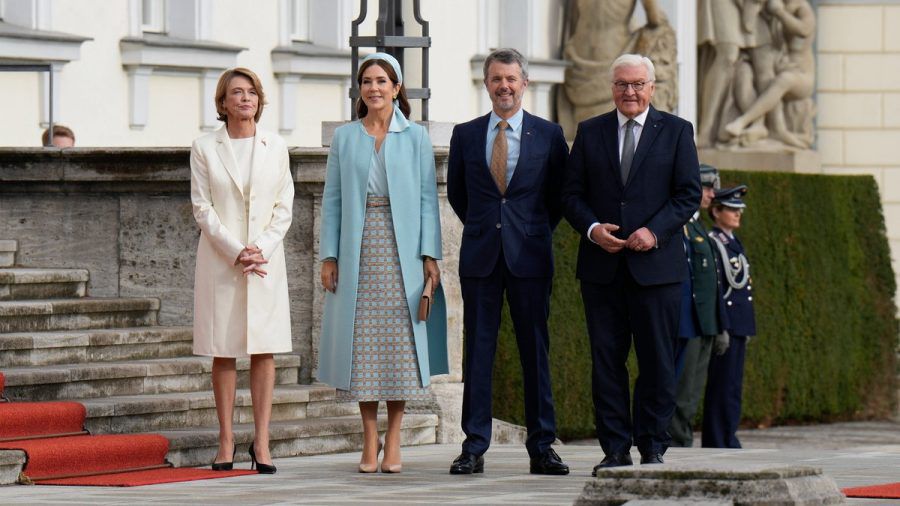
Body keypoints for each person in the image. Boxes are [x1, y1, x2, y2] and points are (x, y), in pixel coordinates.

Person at [562, 54, 700, 471]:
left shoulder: (676, 132)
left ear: (652, 87)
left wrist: (654, 231)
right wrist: (591, 229)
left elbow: (688, 195)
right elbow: (570, 195)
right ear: (612, 88)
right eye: (622, 84)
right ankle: (615, 449)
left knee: (657, 361)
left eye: (638, 84)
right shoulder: (590, 132)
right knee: (607, 363)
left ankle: (653, 444)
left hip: (657, 270)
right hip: (603, 271)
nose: (630, 92)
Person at [317, 52, 448, 474]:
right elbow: (332, 198)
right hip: (357, 249)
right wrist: (329, 254)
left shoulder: (416, 137)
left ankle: (394, 436)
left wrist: (430, 255)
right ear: (360, 90)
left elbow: (429, 199)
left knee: (399, 347)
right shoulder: (345, 137)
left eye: (382, 80)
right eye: (367, 81)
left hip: (403, 251)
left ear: (396, 88)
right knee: (361, 344)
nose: (374, 88)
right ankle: (368, 436)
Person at [447, 48, 569, 476]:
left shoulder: (549, 135)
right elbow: (459, 196)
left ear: (524, 84)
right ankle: (474, 446)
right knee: (478, 353)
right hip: (481, 258)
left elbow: (558, 198)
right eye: (497, 79)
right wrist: (489, 229)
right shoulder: (465, 134)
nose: (504, 86)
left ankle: (542, 447)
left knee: (536, 351)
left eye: (511, 79)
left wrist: (528, 231)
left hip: (530, 258)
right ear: (487, 83)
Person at [190, 67, 294, 474]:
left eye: (251, 92)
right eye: (237, 92)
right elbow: (202, 207)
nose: (245, 98)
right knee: (224, 347)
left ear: (259, 99)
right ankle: (226, 440)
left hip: (266, 261)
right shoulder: (204, 147)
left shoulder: (276, 145)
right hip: (221, 259)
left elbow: (284, 205)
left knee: (264, 347)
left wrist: (261, 248)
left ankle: (263, 442)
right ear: (223, 102)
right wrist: (237, 251)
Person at [668, 164, 729, 448]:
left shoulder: (696, 225)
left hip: (702, 323)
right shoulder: (682, 225)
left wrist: (719, 324)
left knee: (691, 393)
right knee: (681, 391)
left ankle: (681, 439)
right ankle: (675, 441)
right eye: (706, 188)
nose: (711, 194)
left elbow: (710, 282)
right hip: (687, 322)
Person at [702, 184, 757, 448]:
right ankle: (717, 439)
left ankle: (728, 435)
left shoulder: (732, 242)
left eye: (739, 210)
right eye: (732, 209)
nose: (737, 214)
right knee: (720, 387)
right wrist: (722, 325)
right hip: (727, 324)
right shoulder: (715, 242)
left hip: (739, 324)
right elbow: (717, 288)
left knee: (733, 386)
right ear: (716, 212)